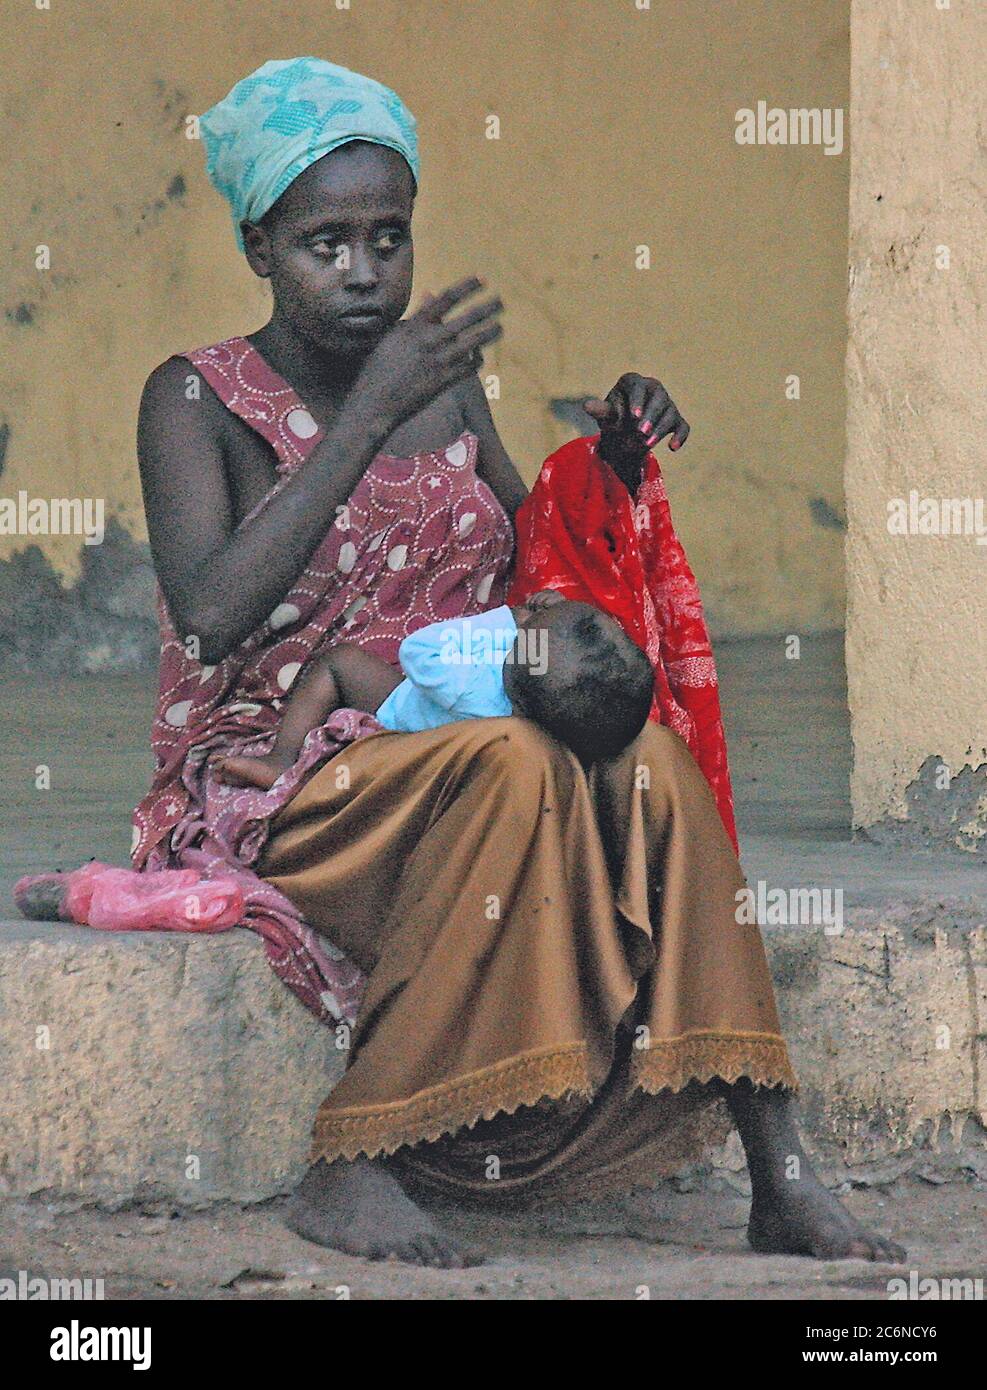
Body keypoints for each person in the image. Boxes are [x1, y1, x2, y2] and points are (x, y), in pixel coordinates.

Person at [132, 56, 905, 1267]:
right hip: (283, 774)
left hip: (459, 735)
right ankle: (355, 1159)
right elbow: (213, 609)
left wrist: (611, 463)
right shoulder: (194, 400)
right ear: (256, 247)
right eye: (323, 241)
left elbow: (532, 558)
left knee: (648, 757)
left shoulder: (445, 386)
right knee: (513, 762)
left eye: (388, 236)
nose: (363, 269)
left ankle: (781, 1164)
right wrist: (370, 419)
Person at [214, 590, 656, 790]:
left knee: (340, 663)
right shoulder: (547, 709)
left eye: (532, 625)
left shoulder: (470, 689)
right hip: (442, 738)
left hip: (400, 721)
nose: (542, 606)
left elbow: (418, 650)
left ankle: (280, 761)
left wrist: (507, 619)